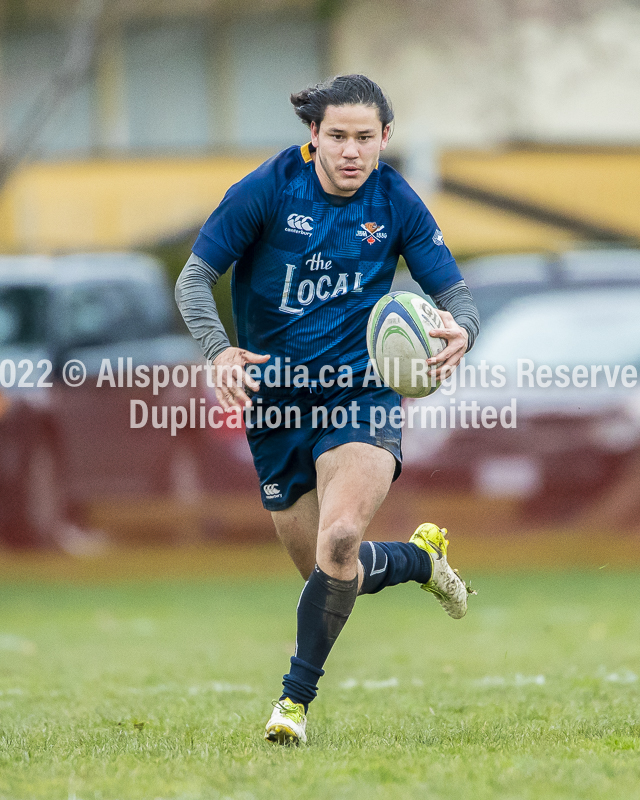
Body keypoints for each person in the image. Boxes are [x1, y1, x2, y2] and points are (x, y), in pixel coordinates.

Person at [175, 74, 479, 746]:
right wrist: (220, 352)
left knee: (340, 541)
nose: (350, 150)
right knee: (330, 571)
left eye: (364, 138)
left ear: (384, 140)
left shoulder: (395, 201)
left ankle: (292, 705)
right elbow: (194, 277)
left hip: (360, 391)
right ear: (313, 135)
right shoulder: (268, 190)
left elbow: (454, 292)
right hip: (276, 404)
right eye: (337, 136)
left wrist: (463, 325)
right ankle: (420, 562)